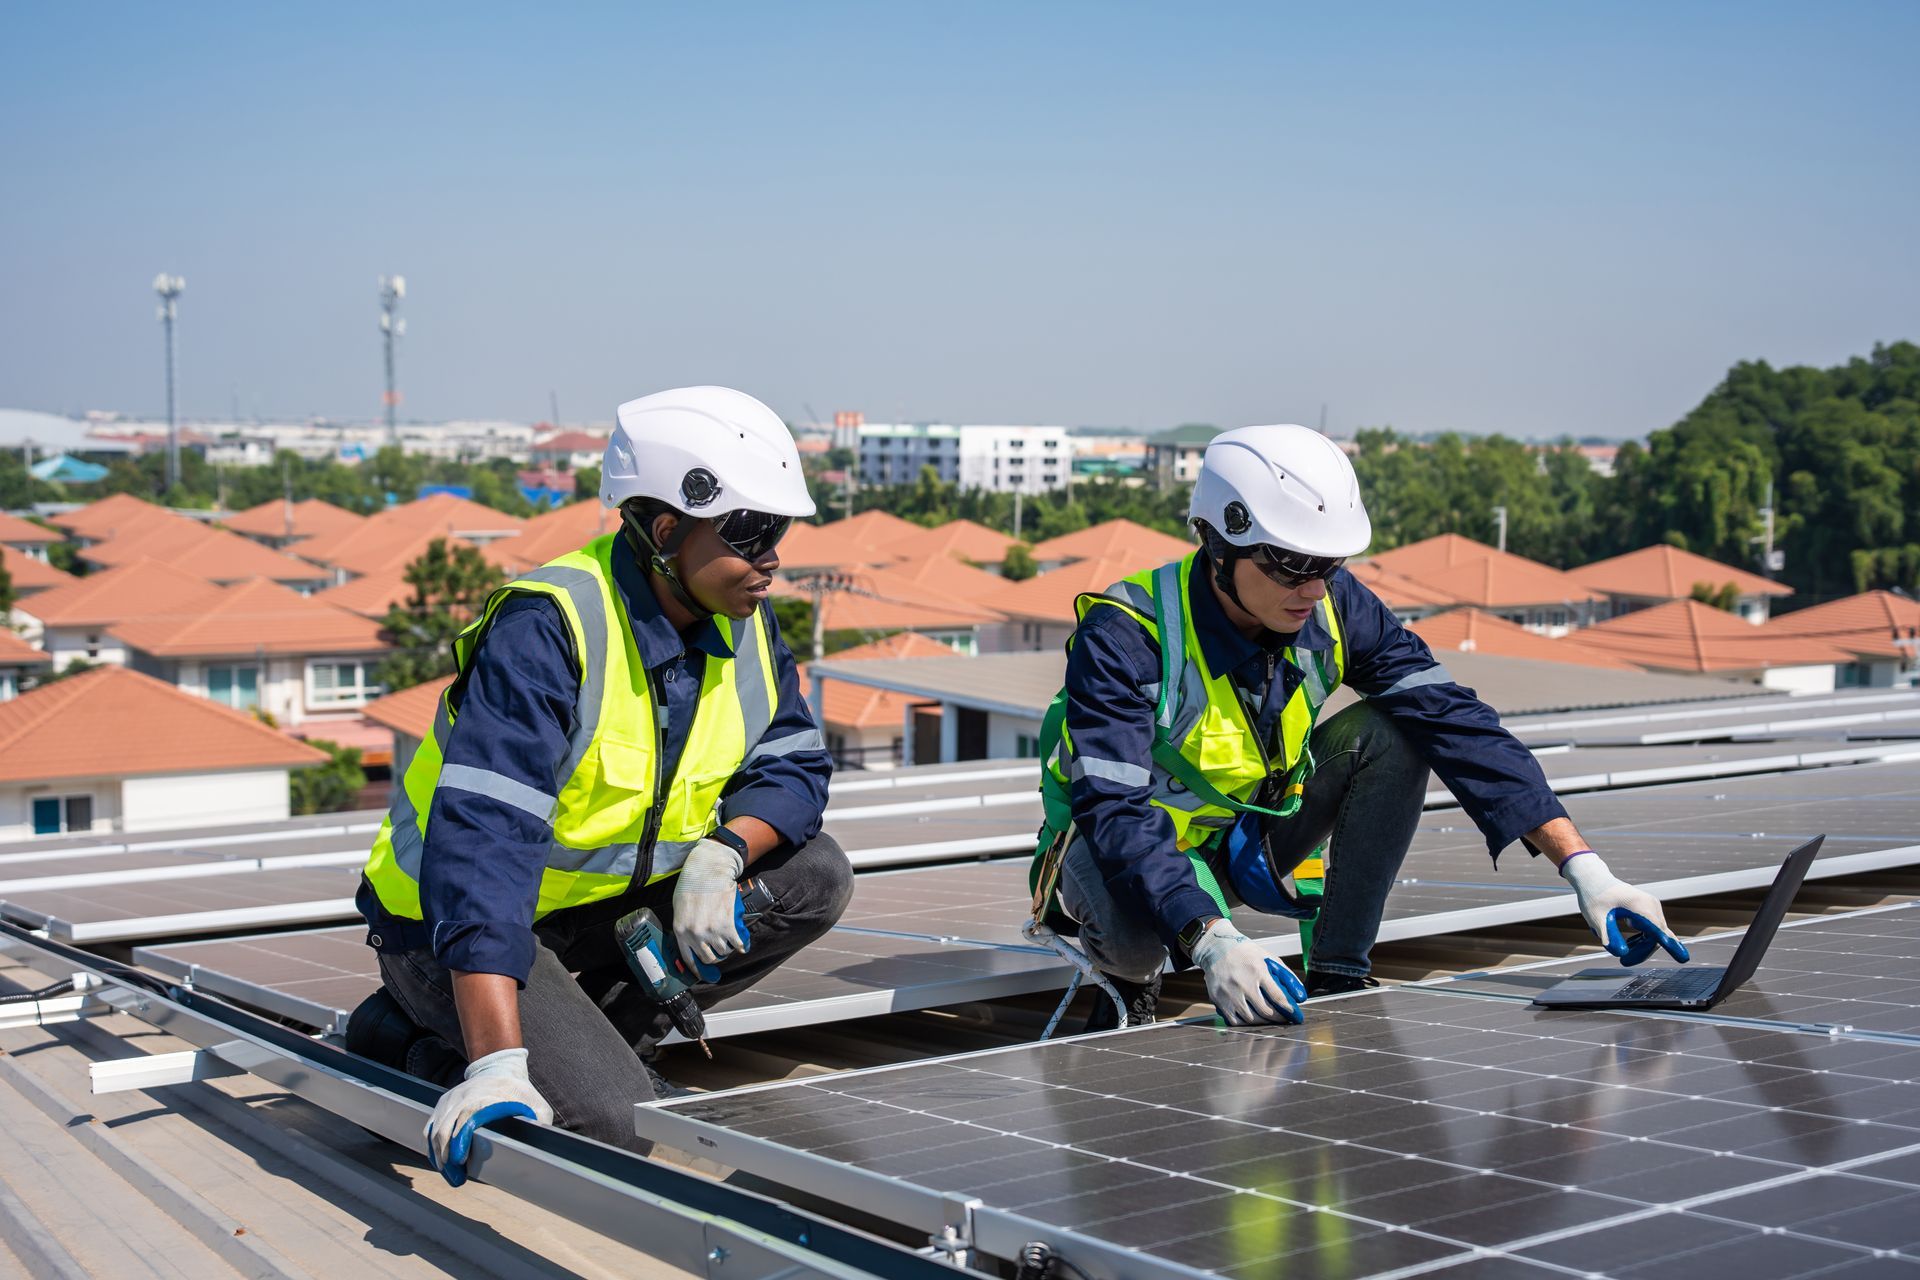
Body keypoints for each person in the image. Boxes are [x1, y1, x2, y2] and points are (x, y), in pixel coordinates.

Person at [346, 385, 852, 1175]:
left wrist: (723, 852)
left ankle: (587, 1046)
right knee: (611, 1126)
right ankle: (416, 1043)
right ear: (664, 530)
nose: (772, 559)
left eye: (778, 532)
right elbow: (484, 851)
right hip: (460, 926)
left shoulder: (744, 622)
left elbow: (793, 764)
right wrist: (495, 1066)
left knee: (814, 875)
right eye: (751, 533)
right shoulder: (549, 629)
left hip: (598, 914)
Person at [1030, 424, 1686, 1029]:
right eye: (1290, 564)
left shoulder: (1334, 607)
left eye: (1328, 566)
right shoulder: (1126, 634)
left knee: (1398, 731)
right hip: (1116, 852)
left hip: (1241, 842)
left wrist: (1585, 867)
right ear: (1217, 545)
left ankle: (1340, 975)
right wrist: (1212, 938)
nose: (1314, 590)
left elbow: (1455, 721)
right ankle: (1128, 985)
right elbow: (1114, 809)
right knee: (1134, 921)